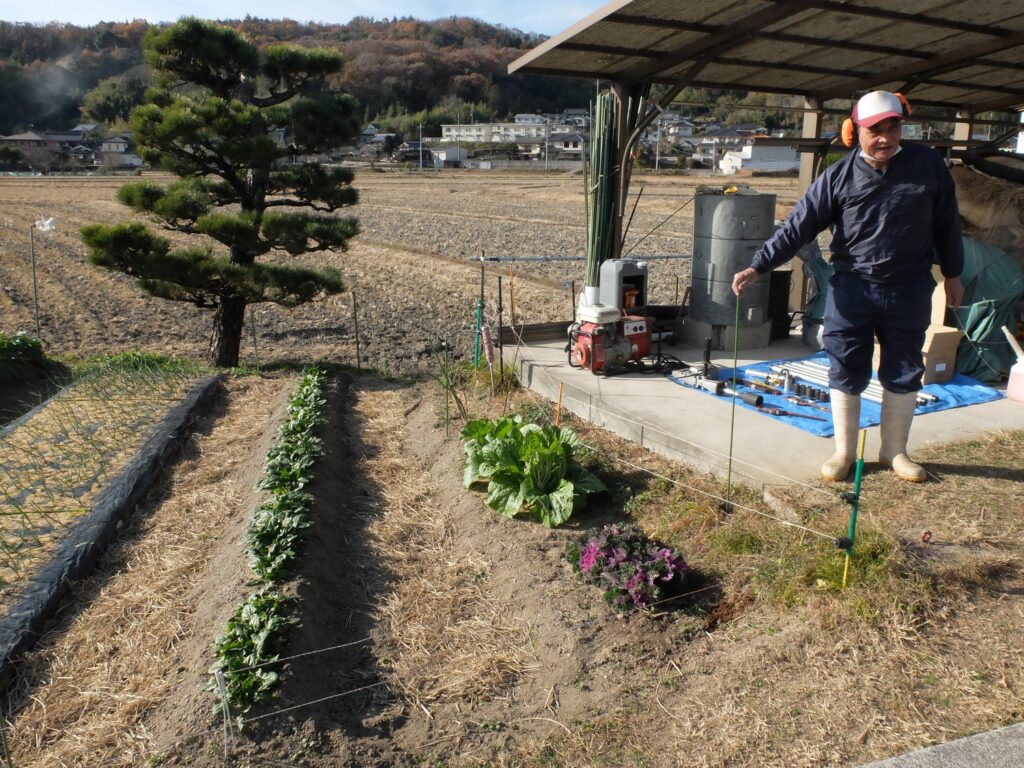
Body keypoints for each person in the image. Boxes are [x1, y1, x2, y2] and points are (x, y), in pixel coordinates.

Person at [732, 90, 965, 483]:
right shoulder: (837, 177)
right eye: (875, 130)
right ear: (854, 132)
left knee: (905, 367)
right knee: (845, 366)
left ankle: (894, 451)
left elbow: (947, 224)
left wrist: (954, 273)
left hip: (908, 287)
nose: (886, 138)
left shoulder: (927, 165)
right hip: (852, 289)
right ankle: (843, 452)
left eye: (893, 128)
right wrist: (759, 265)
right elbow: (797, 226)